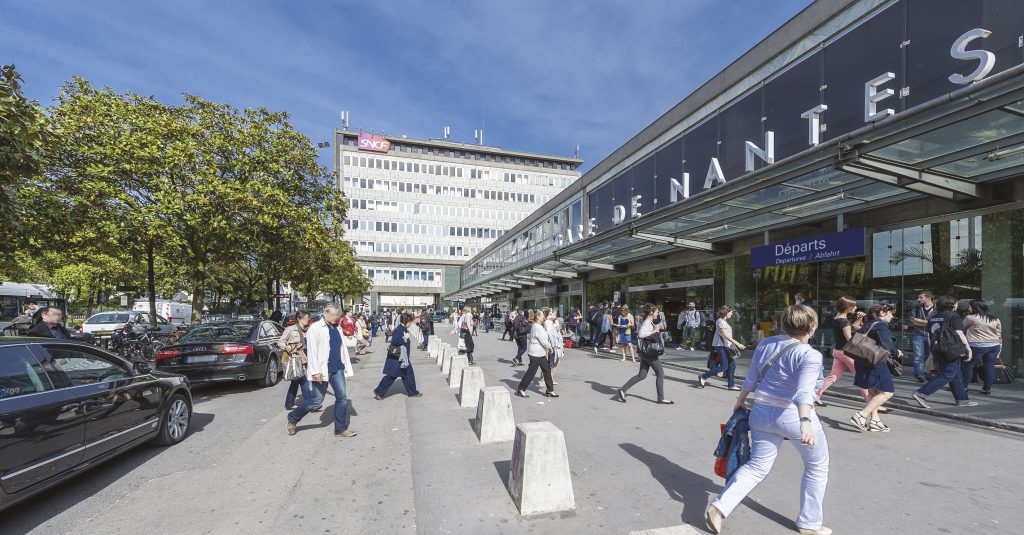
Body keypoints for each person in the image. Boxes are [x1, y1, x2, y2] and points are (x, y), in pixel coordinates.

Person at [705, 305, 830, 535]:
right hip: (792, 415)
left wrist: (740, 400)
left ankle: (720, 508)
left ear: (784, 324)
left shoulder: (766, 343)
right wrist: (806, 423)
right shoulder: (809, 354)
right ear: (812, 326)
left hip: (761, 411)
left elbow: (752, 375)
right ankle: (809, 523)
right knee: (817, 466)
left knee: (757, 466)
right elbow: (804, 392)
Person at [287, 305, 356, 438]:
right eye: (334, 315)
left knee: (342, 398)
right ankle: (293, 418)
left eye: (338, 315)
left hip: (338, 368)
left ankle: (340, 429)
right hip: (323, 369)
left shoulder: (337, 327)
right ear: (325, 314)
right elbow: (312, 352)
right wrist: (315, 371)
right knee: (316, 400)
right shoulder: (315, 328)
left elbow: (340, 347)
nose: (337, 318)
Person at [912, 295, 977, 408]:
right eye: (956, 303)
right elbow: (959, 333)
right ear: (951, 305)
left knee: (956, 374)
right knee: (947, 374)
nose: (957, 305)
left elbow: (930, 335)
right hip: (951, 350)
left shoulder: (933, 318)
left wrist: (933, 349)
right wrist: (968, 348)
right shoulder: (954, 317)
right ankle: (921, 393)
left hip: (938, 349)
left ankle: (962, 399)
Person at [850, 304, 900, 432]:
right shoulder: (881, 325)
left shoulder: (868, 324)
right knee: (887, 392)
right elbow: (887, 345)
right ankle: (861, 415)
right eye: (890, 313)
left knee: (873, 392)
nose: (892, 316)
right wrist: (897, 352)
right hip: (875, 362)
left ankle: (875, 421)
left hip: (862, 360)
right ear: (882, 313)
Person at [617, 303, 672, 404]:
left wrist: (656, 329)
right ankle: (661, 398)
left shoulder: (650, 321)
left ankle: (622, 390)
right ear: (651, 312)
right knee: (660, 373)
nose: (658, 313)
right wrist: (654, 331)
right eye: (656, 311)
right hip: (649, 354)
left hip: (645, 353)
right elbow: (641, 334)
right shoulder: (647, 322)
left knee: (642, 375)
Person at [815, 298, 868, 402]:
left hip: (838, 351)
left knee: (833, 375)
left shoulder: (837, 318)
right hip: (846, 353)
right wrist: (864, 336)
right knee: (861, 376)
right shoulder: (844, 321)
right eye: (854, 306)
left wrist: (858, 319)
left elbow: (852, 328)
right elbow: (850, 339)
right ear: (848, 308)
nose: (856, 307)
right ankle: (871, 402)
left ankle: (816, 395)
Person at [373, 312, 422, 399]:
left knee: (408, 375)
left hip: (403, 357)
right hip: (398, 358)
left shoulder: (403, 328)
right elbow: (395, 341)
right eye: (410, 322)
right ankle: (379, 392)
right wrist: (405, 338)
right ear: (405, 321)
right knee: (391, 376)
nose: (411, 323)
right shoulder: (399, 329)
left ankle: (412, 391)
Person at [698, 306, 747, 390]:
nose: (731, 314)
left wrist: (732, 345)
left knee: (732, 366)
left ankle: (731, 385)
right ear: (726, 312)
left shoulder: (724, 321)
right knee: (724, 367)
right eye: (730, 312)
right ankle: (703, 376)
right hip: (720, 346)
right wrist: (738, 344)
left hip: (725, 346)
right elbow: (725, 335)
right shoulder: (720, 321)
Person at [515, 310, 557, 398]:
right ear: (538, 316)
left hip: (539, 353)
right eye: (542, 315)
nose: (543, 316)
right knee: (531, 373)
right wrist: (550, 347)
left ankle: (550, 390)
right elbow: (543, 340)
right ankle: (521, 389)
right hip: (536, 354)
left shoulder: (537, 326)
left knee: (547, 370)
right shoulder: (537, 327)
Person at [963, 299, 1002, 396]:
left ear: (974, 307)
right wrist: (1000, 349)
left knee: (968, 366)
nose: (968, 308)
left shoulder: (971, 318)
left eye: (969, 307)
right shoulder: (995, 319)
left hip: (976, 345)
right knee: (989, 367)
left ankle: (963, 386)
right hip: (994, 345)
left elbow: (961, 328)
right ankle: (986, 388)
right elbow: (999, 334)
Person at [280, 311, 311, 410]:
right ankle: (311, 403)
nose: (308, 319)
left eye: (308, 318)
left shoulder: (308, 330)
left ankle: (289, 404)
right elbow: (280, 342)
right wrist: (289, 347)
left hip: (305, 358)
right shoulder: (290, 329)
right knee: (303, 380)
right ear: (299, 319)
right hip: (295, 358)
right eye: (306, 318)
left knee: (295, 381)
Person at [909, 291, 936, 382]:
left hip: (931, 335)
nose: (918, 299)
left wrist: (919, 321)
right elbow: (912, 320)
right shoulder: (917, 307)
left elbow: (935, 322)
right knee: (918, 355)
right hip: (918, 334)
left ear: (928, 298)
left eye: (921, 297)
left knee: (930, 355)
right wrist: (928, 323)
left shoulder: (937, 308)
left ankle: (927, 374)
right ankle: (919, 375)